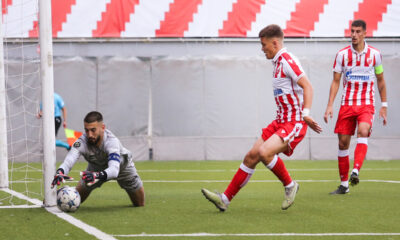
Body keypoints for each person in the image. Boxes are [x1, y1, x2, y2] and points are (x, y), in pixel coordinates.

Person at [201, 24, 322, 211]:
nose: (262, 48)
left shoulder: (288, 61)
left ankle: (290, 186)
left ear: (274, 43)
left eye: (263, 44)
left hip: (294, 122)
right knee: (251, 156)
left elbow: (308, 86)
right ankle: (224, 199)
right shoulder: (277, 63)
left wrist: (305, 114)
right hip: (280, 121)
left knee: (265, 152)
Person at [324, 19, 387, 194]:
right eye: (352, 31)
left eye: (358, 31)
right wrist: (330, 105)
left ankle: (356, 170)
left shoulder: (375, 55)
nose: (354, 35)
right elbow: (336, 82)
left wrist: (384, 105)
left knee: (364, 131)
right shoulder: (342, 55)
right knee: (343, 144)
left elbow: (380, 80)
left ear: (365, 33)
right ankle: (344, 185)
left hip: (367, 103)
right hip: (347, 104)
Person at [51, 111, 145, 207]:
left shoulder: (111, 142)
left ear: (102, 128)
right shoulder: (81, 142)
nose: (89, 135)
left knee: (139, 203)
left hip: (122, 167)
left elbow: (114, 170)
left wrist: (96, 175)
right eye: (86, 130)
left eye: (93, 130)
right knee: (74, 200)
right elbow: (68, 161)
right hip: (95, 168)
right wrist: (60, 171)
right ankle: (58, 197)